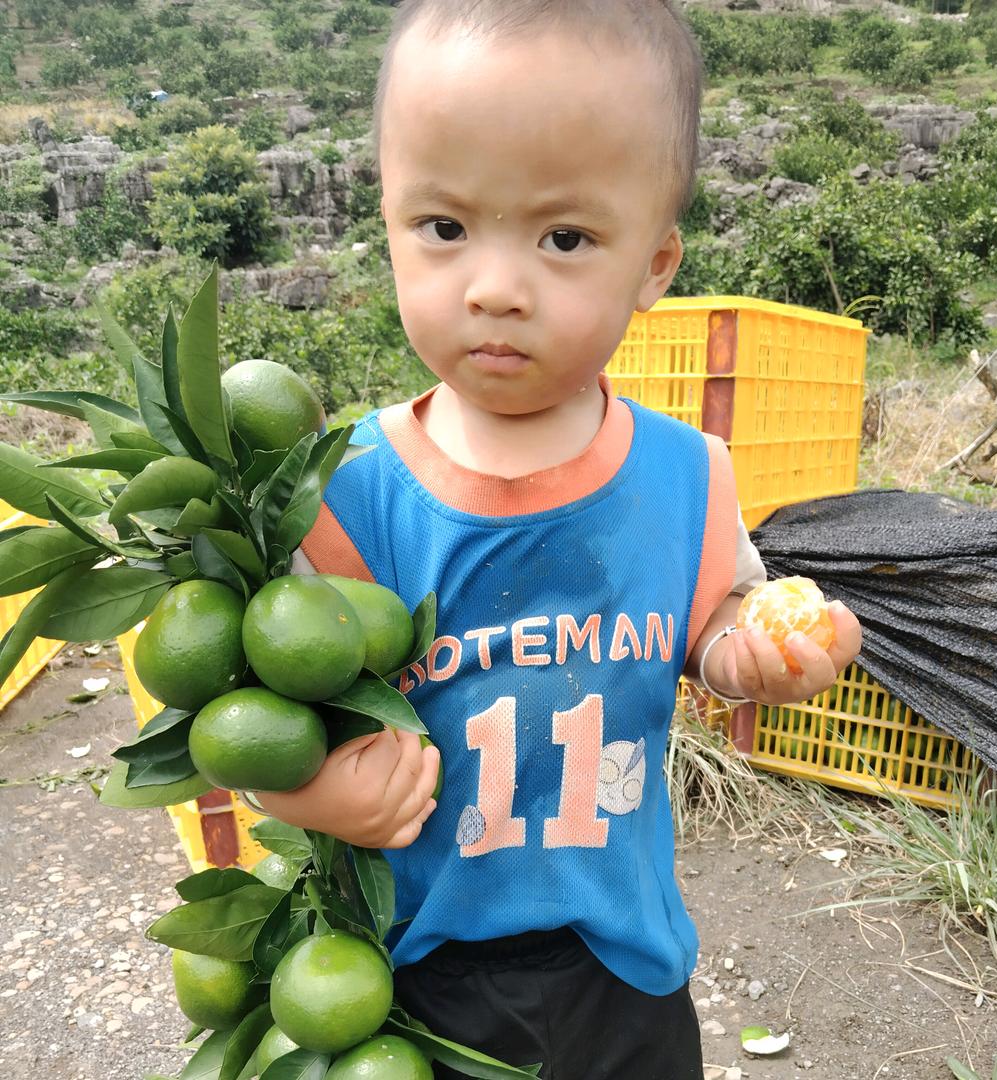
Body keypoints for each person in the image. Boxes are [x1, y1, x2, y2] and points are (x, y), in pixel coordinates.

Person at [257, 2, 863, 1076]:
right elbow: (265, 703)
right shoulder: (345, 491)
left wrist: (757, 654)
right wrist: (304, 791)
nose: (494, 286)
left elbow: (711, 627)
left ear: (656, 263)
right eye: (443, 228)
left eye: (565, 238)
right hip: (411, 971)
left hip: (623, 967)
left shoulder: (686, 477)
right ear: (390, 220)